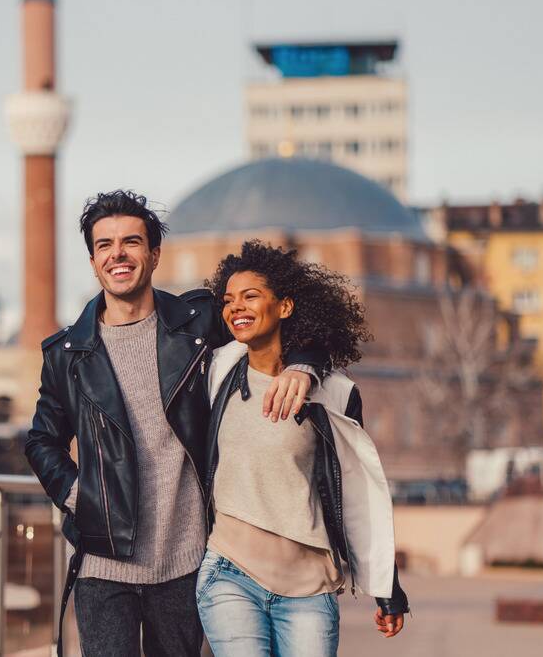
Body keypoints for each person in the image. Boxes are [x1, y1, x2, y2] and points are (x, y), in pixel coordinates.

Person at [24, 191, 328, 657]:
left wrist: (303, 364)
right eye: (105, 245)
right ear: (93, 261)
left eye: (131, 242)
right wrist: (77, 497)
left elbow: (289, 322)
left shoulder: (199, 322)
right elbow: (41, 441)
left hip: (187, 561)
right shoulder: (67, 355)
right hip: (104, 567)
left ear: (154, 254)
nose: (118, 254)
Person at [196, 240, 409, 656]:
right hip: (229, 573)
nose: (236, 307)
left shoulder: (334, 392)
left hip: (310, 588)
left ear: (285, 307)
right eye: (228, 300)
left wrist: (387, 587)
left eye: (251, 296)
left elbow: (357, 491)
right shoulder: (215, 370)